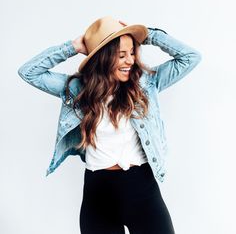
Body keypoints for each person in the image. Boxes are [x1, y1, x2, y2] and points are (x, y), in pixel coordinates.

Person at [18, 16, 202, 234]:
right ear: (103, 58)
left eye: (132, 53)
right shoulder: (78, 90)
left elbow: (191, 57)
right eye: (121, 55)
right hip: (98, 193)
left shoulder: (146, 84)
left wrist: (147, 34)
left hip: (142, 189)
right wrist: (73, 47)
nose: (130, 61)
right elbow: (28, 72)